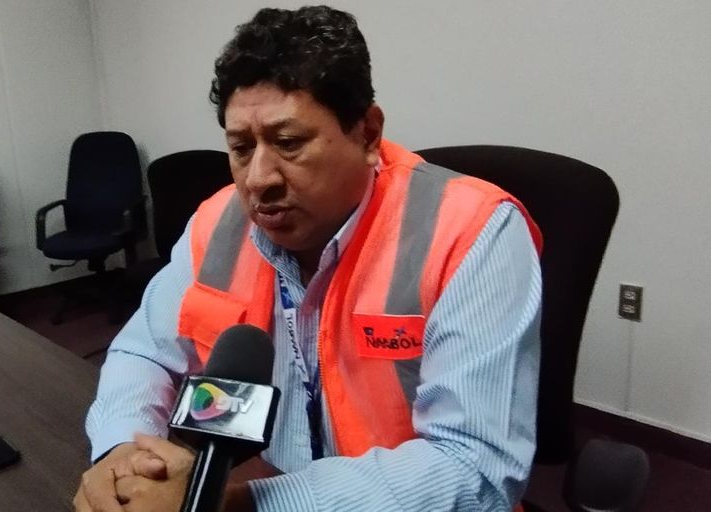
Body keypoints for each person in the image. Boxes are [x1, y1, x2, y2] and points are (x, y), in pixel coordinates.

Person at [74, 5, 542, 512]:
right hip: (261, 476)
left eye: (288, 143)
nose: (258, 179)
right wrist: (123, 455)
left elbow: (474, 468)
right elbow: (144, 352)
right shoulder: (219, 222)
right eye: (241, 147)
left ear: (368, 134)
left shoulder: (471, 231)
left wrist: (243, 505)